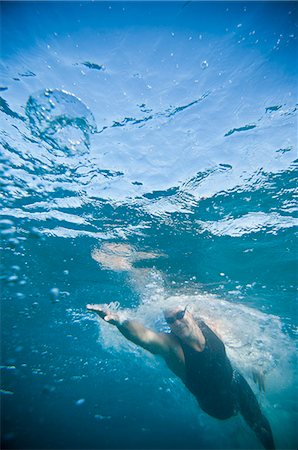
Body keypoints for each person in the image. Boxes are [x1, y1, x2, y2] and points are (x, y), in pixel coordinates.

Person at [86, 303, 275, 450]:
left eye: (180, 315)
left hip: (235, 381)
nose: (177, 322)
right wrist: (120, 321)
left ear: (189, 313)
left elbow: (234, 344)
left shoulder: (207, 325)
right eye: (170, 320)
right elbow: (145, 337)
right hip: (216, 405)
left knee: (259, 424)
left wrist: (254, 365)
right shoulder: (172, 346)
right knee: (235, 423)